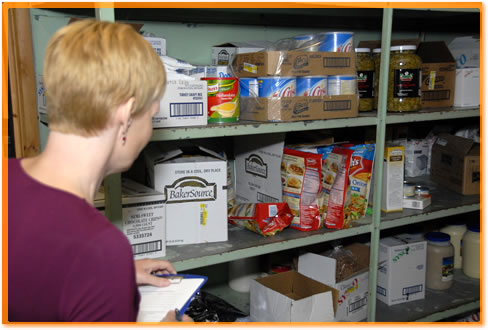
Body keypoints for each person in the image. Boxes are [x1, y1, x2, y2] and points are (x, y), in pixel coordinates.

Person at [8, 19, 192, 322]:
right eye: (152, 116)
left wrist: (112, 278)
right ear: (125, 115)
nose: (150, 131)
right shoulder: (100, 249)